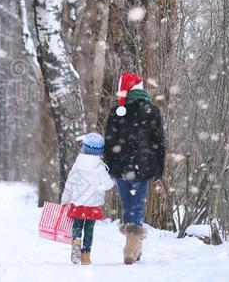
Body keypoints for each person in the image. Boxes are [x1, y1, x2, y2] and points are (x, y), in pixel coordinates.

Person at [104, 71, 167, 265]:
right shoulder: (152, 110)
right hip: (144, 165)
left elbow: (109, 140)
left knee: (128, 206)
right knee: (137, 205)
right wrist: (158, 171)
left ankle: (133, 247)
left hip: (121, 166)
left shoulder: (117, 110)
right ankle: (132, 249)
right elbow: (159, 143)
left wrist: (110, 163)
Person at [61, 133, 114, 265]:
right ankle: (85, 257)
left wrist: (65, 199)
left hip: (78, 203)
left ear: (84, 148)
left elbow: (70, 183)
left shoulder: (78, 164)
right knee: (89, 230)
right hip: (93, 205)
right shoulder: (99, 167)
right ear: (100, 151)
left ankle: (76, 241)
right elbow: (108, 185)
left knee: (77, 226)